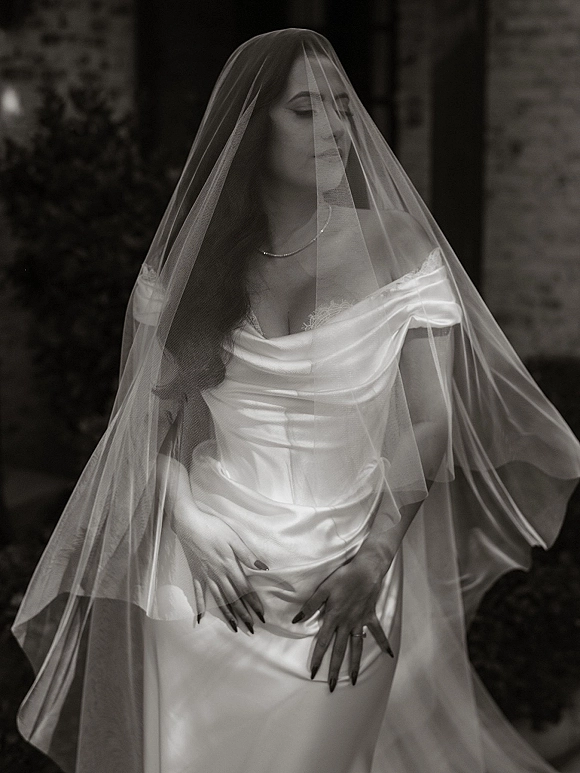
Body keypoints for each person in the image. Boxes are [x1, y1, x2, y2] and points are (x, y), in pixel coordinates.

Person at [12, 28, 580, 773]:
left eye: (342, 106)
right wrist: (187, 517)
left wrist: (376, 554)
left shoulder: (398, 245)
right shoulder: (197, 263)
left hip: (346, 582)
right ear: (252, 131)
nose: (336, 127)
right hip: (205, 584)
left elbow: (429, 421)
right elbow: (146, 424)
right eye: (305, 109)